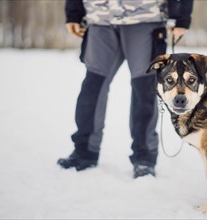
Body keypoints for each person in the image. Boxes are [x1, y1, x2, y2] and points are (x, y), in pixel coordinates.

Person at [57, 0, 194, 178]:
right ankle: (84, 152)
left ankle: (144, 158)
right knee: (92, 88)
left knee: (144, 89)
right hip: (100, 18)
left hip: (144, 17)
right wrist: (73, 13)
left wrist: (181, 17)